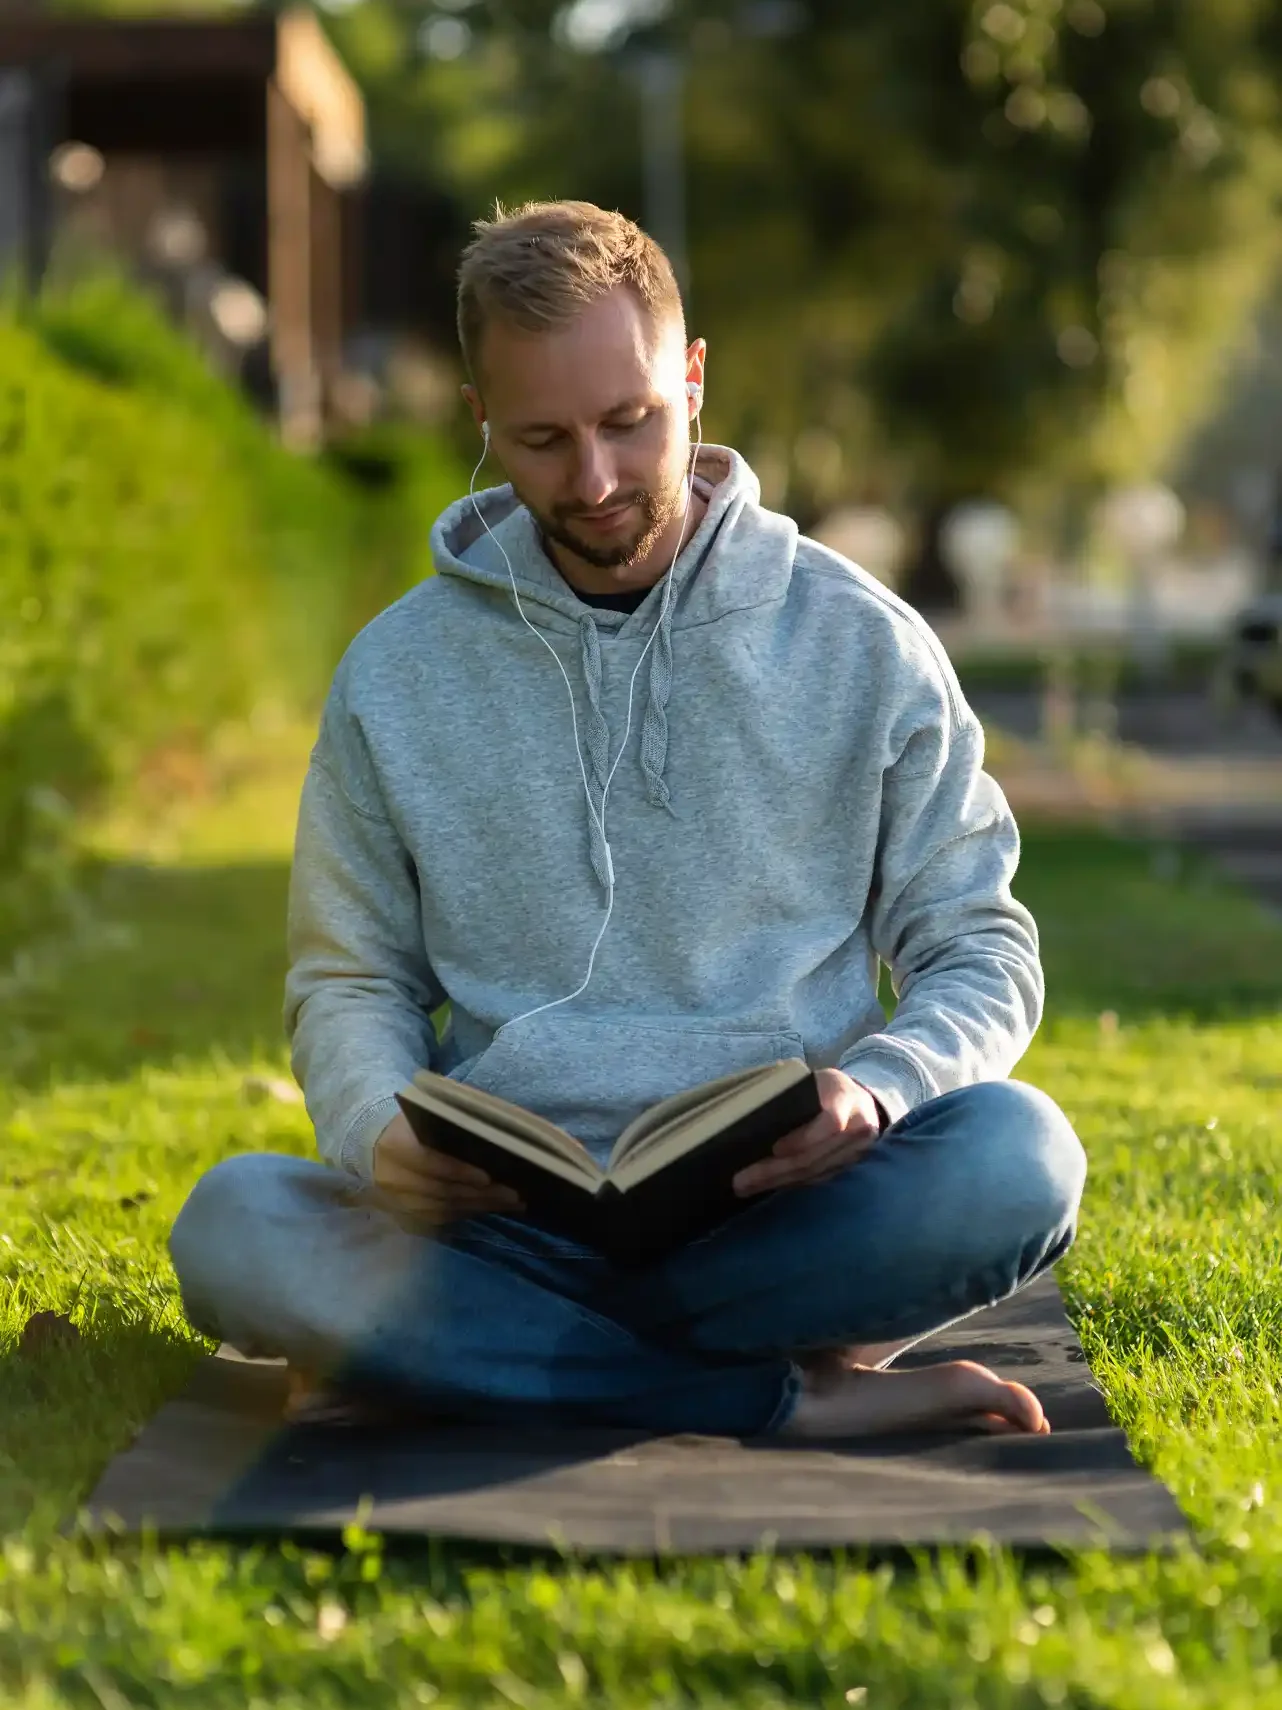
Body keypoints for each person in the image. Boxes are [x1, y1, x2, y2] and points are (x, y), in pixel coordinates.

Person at [168, 200, 1086, 1441]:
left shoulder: (861, 642)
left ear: (693, 382)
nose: (593, 482)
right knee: (238, 1226)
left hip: (791, 1217)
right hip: (499, 1235)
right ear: (478, 416)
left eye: (628, 422)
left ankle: (466, 1363)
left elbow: (979, 944)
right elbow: (349, 974)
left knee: (1016, 1159)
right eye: (542, 439)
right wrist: (376, 1124)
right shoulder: (395, 676)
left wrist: (875, 1091)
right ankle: (772, 1398)